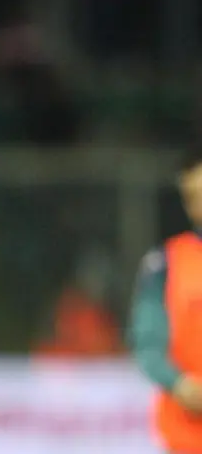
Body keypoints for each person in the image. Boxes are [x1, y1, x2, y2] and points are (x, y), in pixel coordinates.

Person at [129, 146, 202, 454]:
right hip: (186, 431)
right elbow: (147, 340)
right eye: (193, 195)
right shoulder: (166, 263)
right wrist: (178, 384)